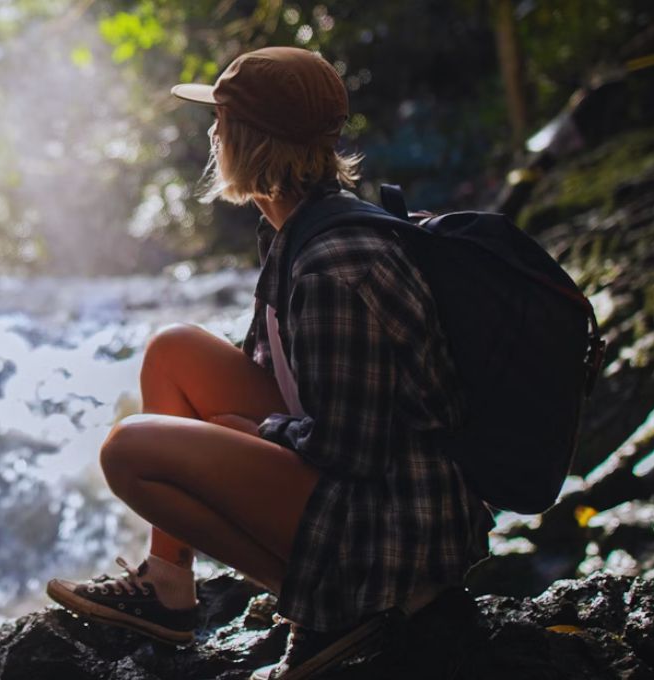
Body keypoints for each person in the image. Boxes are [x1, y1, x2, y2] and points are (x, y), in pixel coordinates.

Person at [42, 47, 492, 679]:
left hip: (396, 533)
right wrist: (249, 431)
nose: (212, 133)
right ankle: (169, 587)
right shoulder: (298, 230)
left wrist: (251, 434)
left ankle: (344, 611)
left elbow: (353, 448)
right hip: (370, 493)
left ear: (242, 140)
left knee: (129, 451)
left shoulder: (337, 262)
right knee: (174, 350)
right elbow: (291, 384)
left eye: (219, 122)